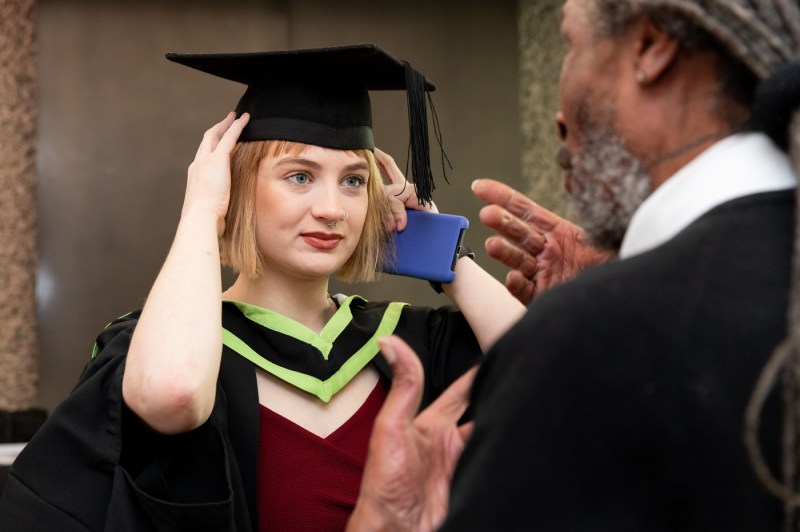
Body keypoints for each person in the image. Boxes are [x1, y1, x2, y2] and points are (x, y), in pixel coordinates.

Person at [0, 44, 524, 531]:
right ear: (236, 186)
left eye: (353, 180)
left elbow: (545, 376)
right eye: (299, 176)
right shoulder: (166, 347)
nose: (332, 209)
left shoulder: (408, 343)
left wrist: (442, 257)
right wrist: (203, 211)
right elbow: (173, 394)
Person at [347, 1, 800, 530]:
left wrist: (382, 522)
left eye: (571, 45)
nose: (558, 119)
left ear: (651, 48)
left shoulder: (599, 334)